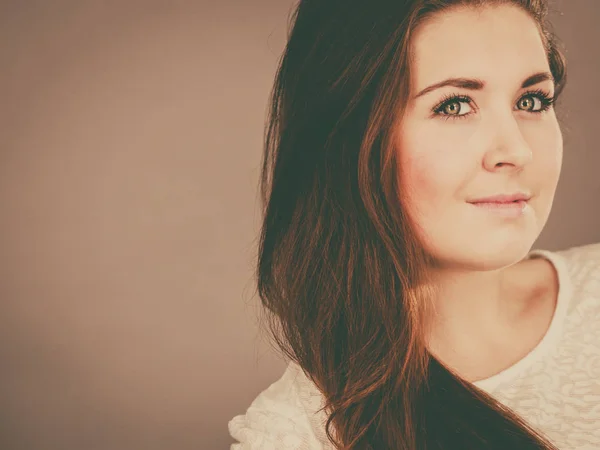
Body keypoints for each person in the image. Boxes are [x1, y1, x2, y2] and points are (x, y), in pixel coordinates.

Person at [229, 0, 600, 448]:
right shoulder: (298, 433)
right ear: (347, 141)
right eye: (455, 106)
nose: (517, 151)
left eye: (531, 100)